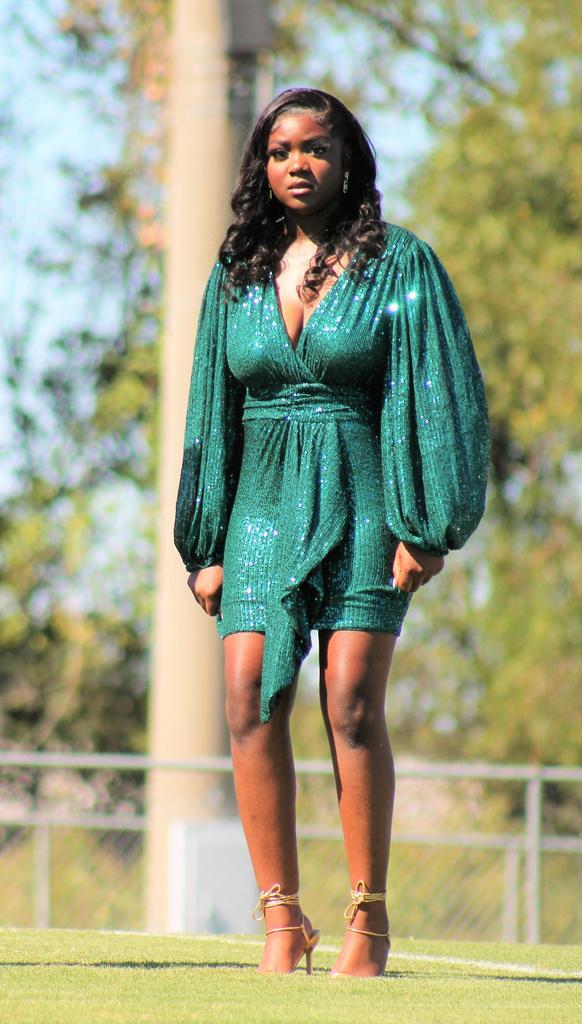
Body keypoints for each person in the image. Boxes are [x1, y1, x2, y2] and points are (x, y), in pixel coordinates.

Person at [174, 87, 489, 977]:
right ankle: (281, 920)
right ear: (261, 167)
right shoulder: (236, 271)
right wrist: (206, 543)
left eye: (315, 148)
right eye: (280, 152)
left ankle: (367, 918)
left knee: (350, 700)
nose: (298, 165)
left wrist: (426, 527)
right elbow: (210, 409)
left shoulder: (400, 264)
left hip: (362, 498)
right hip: (260, 507)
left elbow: (441, 397)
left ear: (349, 159)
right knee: (248, 695)